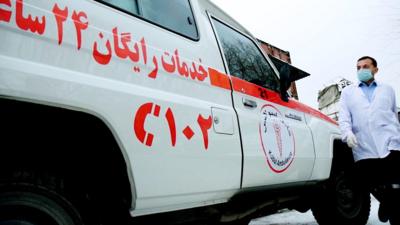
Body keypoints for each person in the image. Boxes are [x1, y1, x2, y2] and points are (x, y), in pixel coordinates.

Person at [339, 56, 400, 224]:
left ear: (375, 69)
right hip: (364, 145)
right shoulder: (348, 92)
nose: (361, 70)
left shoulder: (387, 89)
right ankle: (387, 203)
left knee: (395, 185)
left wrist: (397, 135)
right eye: (358, 67)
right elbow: (344, 118)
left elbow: (393, 114)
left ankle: (392, 209)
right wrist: (347, 133)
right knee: (370, 182)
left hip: (390, 142)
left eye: (366, 66)